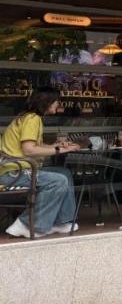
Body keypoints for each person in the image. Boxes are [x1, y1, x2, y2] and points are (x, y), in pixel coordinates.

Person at [0, 88, 81, 237]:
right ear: (47, 102)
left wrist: (56, 146)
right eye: (57, 101)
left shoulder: (28, 117)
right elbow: (29, 150)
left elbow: (33, 145)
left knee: (64, 173)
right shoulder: (33, 119)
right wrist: (58, 150)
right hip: (14, 174)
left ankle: (62, 221)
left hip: (17, 171)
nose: (58, 104)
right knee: (58, 181)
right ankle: (26, 224)